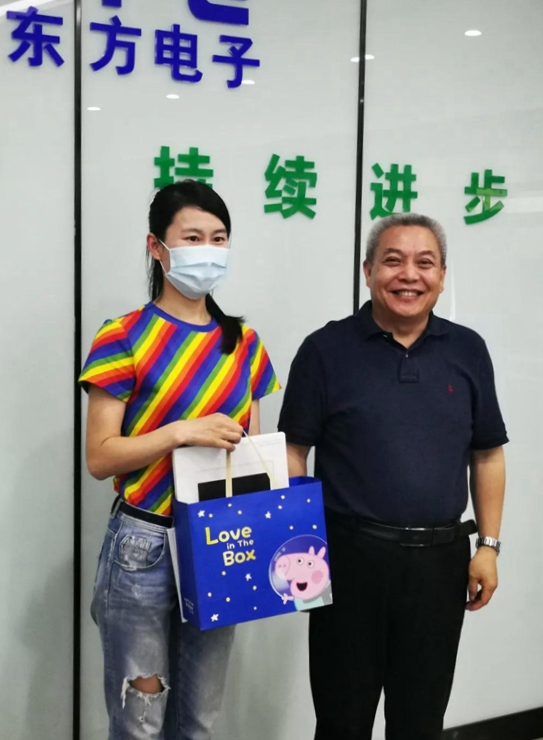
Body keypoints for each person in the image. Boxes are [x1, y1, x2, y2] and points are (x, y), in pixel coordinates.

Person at [278, 213, 507, 740]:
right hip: (347, 560)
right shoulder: (325, 350)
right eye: (393, 261)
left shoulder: (468, 350)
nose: (409, 275)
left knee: (421, 721)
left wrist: (489, 547)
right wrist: (301, 549)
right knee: (341, 720)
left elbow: (488, 455)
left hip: (440, 565)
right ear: (368, 271)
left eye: (425, 263)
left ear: (442, 276)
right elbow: (293, 451)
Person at [79, 180, 279, 740]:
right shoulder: (123, 336)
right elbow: (100, 456)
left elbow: (251, 454)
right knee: (139, 722)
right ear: (156, 246)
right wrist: (179, 433)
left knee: (198, 720)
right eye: (192, 237)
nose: (208, 250)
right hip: (142, 543)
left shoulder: (245, 343)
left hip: (220, 537)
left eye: (219, 238)